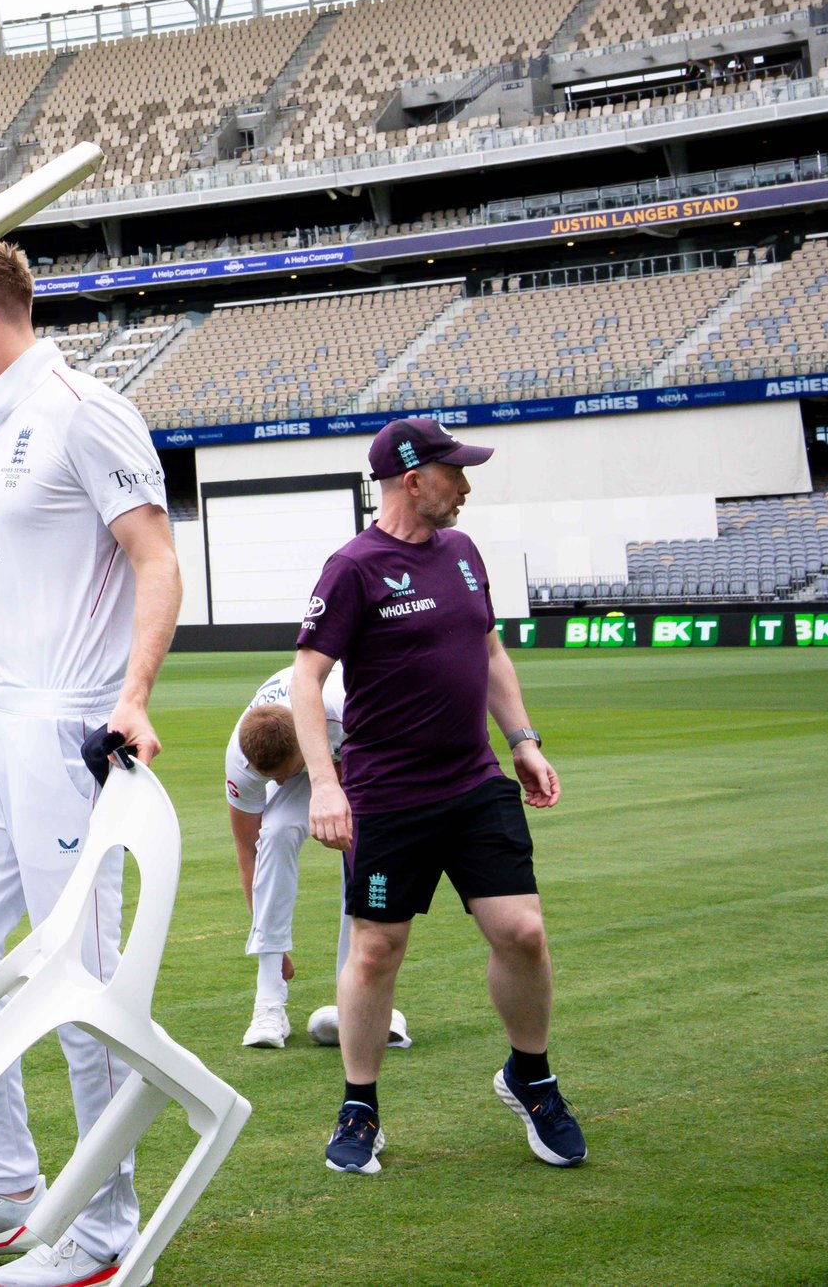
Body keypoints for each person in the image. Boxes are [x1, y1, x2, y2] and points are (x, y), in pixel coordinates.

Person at [0, 243, 182, 1287]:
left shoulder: (78, 408)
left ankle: (108, 1231)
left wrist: (132, 696)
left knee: (78, 974)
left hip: (66, 724)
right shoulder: (3, 428)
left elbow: (155, 556)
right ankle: (9, 1181)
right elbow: (22, 603)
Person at [292, 418, 585, 1176]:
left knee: (522, 930)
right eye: (454, 470)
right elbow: (305, 679)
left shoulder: (462, 553)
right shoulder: (352, 567)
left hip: (473, 781)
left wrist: (521, 739)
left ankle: (531, 1076)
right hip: (388, 795)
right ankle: (360, 1105)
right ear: (411, 478)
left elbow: (488, 649)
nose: (466, 483)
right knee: (378, 947)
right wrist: (327, 784)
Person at [223, 669, 410, 1052]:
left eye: (282, 775)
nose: (275, 785)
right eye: (267, 779)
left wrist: (337, 804)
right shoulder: (241, 758)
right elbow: (247, 849)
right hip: (315, 749)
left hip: (367, 750)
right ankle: (268, 1004)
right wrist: (269, 940)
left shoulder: (346, 711)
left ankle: (360, 997)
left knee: (358, 847)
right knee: (273, 833)